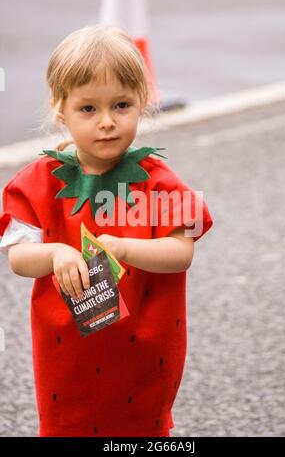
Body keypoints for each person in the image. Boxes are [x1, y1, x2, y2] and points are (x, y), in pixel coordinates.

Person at [0, 25, 213, 437]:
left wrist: (128, 248)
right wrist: (56, 253)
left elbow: (182, 251)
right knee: (68, 425)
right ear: (60, 110)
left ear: (142, 103)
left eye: (121, 105)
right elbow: (20, 258)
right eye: (88, 109)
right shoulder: (36, 183)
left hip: (145, 347)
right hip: (67, 351)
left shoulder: (158, 182)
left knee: (140, 429)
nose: (107, 123)